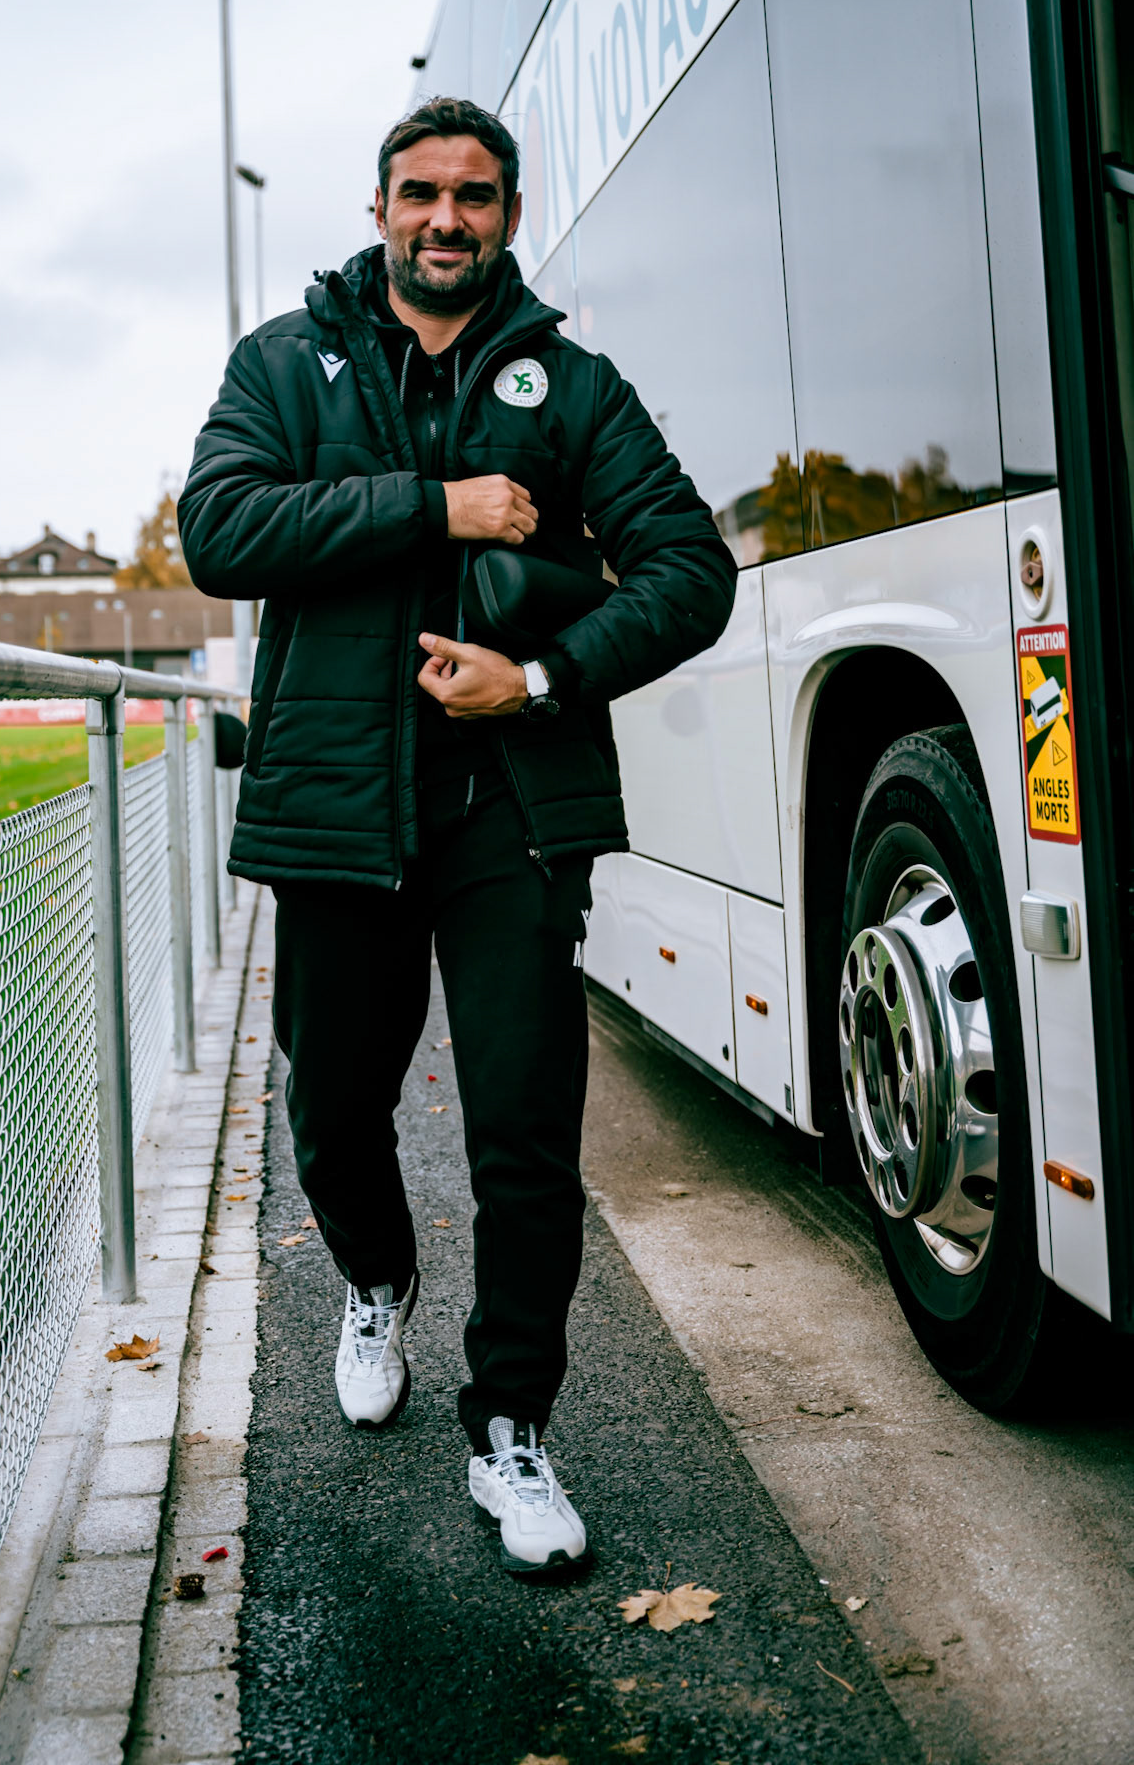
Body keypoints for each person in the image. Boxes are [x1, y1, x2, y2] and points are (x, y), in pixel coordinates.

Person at [178, 97, 736, 1575]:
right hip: (336, 811)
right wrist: (439, 508)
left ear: (507, 215)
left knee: (524, 1138)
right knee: (331, 1111)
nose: (446, 219)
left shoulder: (573, 386)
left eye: (474, 196)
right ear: (378, 210)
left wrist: (535, 679)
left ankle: (511, 1428)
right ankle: (377, 1282)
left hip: (511, 813)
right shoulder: (283, 364)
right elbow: (221, 534)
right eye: (420, 193)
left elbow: (691, 571)